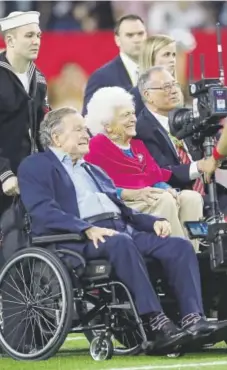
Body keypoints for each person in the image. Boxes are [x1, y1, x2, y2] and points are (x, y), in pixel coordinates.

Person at [18, 107, 227, 351]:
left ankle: (194, 319)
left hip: (119, 229)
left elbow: (123, 209)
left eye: (85, 129)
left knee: (178, 246)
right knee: (121, 242)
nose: (86, 134)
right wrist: (85, 228)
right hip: (76, 238)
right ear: (56, 138)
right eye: (78, 130)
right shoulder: (36, 166)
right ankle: (155, 322)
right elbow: (42, 210)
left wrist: (152, 222)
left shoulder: (92, 169)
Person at [84, 86, 203, 251]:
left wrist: (167, 188)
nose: (133, 119)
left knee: (191, 197)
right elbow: (94, 186)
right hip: (123, 204)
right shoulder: (96, 146)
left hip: (149, 197)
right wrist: (133, 193)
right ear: (108, 125)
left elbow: (154, 175)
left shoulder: (137, 144)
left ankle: (195, 254)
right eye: (126, 115)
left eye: (133, 113)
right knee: (164, 200)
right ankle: (178, 255)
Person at [136, 66, 227, 216]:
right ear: (148, 95)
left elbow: (216, 147)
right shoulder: (142, 129)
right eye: (166, 87)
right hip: (179, 197)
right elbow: (162, 171)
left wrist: (220, 155)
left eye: (174, 85)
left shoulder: (187, 116)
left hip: (211, 191)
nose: (173, 90)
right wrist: (200, 166)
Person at [0, 11, 49, 216]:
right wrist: (4, 173)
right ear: (10, 40)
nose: (36, 41)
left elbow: (43, 127)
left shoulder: (38, 79)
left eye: (38, 36)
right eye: (29, 36)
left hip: (26, 177)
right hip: (5, 175)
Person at [82, 14, 147, 116]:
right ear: (117, 40)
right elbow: (89, 118)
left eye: (140, 34)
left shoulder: (157, 72)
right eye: (130, 35)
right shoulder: (101, 77)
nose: (137, 39)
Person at [130, 34, 180, 116]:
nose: (172, 60)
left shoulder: (178, 90)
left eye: (174, 55)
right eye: (166, 55)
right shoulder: (135, 96)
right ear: (150, 57)